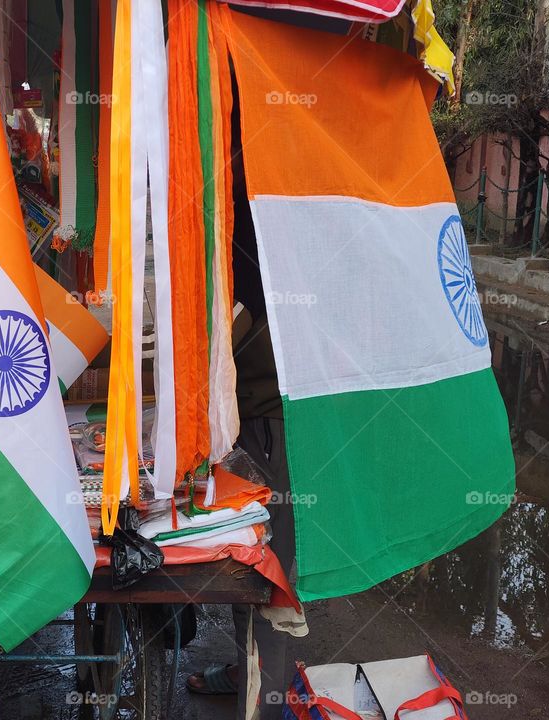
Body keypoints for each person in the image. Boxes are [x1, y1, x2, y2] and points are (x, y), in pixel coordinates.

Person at [185, 74, 305, 719]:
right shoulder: (238, 194)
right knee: (250, 558)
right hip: (250, 404)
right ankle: (249, 676)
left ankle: (266, 703)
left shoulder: (259, 199)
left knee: (266, 567)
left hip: (269, 411)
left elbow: (249, 313)